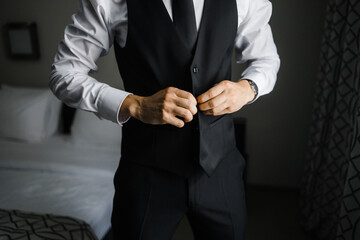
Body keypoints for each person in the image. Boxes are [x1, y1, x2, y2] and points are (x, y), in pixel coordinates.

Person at [49, 0, 280, 239]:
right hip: (146, 173)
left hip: (221, 167)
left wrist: (247, 88)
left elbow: (266, 60)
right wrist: (134, 104)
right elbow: (64, 73)